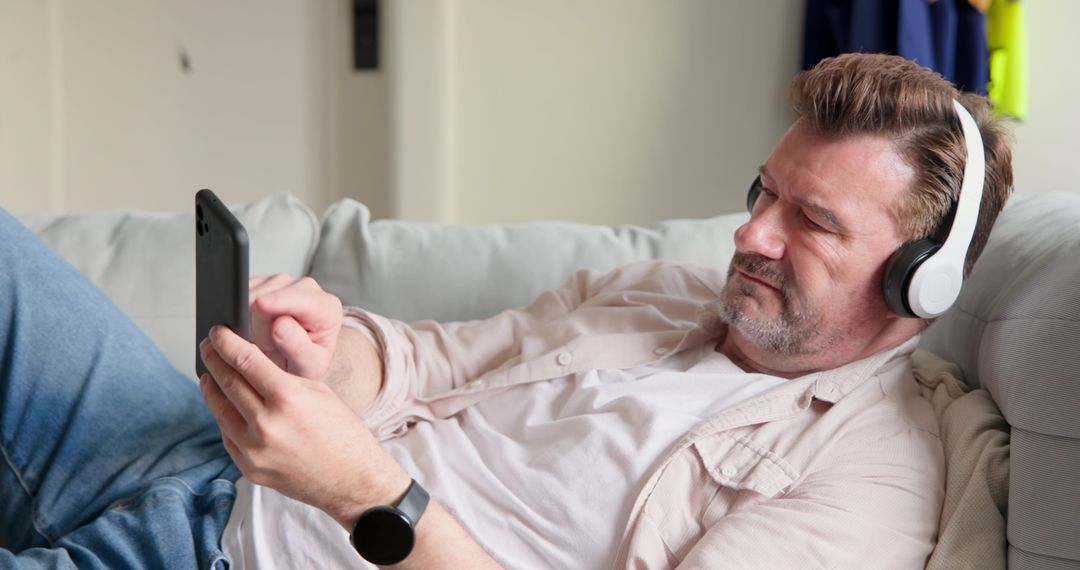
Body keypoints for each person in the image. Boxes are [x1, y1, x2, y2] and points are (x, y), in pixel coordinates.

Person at [0, 52, 1013, 569]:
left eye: (811, 223)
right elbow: (430, 361)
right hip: (196, 458)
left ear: (918, 277)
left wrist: (365, 493)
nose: (750, 235)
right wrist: (327, 348)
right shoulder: (660, 294)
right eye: (764, 193)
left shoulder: (872, 477)